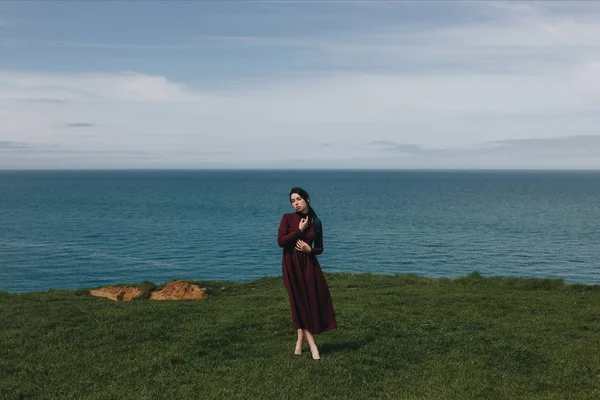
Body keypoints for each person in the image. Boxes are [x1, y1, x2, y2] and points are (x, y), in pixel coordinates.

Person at [277, 187, 337, 361]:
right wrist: (299, 231)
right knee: (298, 302)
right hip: (291, 265)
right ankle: (313, 346)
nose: (295, 203)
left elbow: (320, 248)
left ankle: (298, 343)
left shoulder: (316, 222)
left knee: (310, 301)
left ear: (307, 199)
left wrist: (309, 249)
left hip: (309, 265)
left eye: (298, 199)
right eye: (292, 201)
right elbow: (281, 242)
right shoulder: (287, 218)